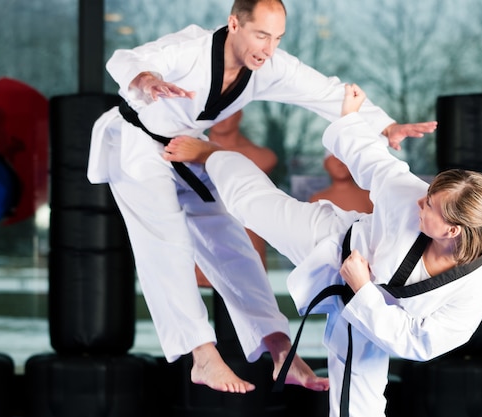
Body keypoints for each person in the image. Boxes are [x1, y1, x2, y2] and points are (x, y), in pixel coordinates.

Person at [87, 0, 436, 394]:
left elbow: (327, 92)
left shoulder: (269, 66)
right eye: (261, 35)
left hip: (185, 147)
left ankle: (279, 349)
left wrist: (386, 125)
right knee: (165, 244)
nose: (268, 48)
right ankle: (202, 356)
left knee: (232, 245)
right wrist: (147, 81)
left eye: (277, 38)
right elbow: (125, 59)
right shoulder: (192, 49)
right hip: (134, 145)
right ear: (234, 24)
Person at [162, 83, 482, 417]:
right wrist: (349, 119)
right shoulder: (408, 196)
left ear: (453, 230)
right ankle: (215, 156)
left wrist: (364, 290)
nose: (420, 202)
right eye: (427, 194)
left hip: (370, 323)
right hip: (332, 242)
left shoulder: (477, 286)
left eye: (429, 205)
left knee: (358, 411)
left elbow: (420, 343)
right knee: (250, 206)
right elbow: (375, 162)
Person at [195, 109, 276, 286]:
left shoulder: (261, 156)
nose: (221, 117)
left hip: (246, 242)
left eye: (228, 111)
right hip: (205, 239)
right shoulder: (191, 151)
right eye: (217, 111)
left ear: (239, 115)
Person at [309, 151, 373, 214]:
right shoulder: (317, 200)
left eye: (344, 159)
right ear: (325, 164)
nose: (340, 163)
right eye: (334, 158)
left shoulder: (370, 197)